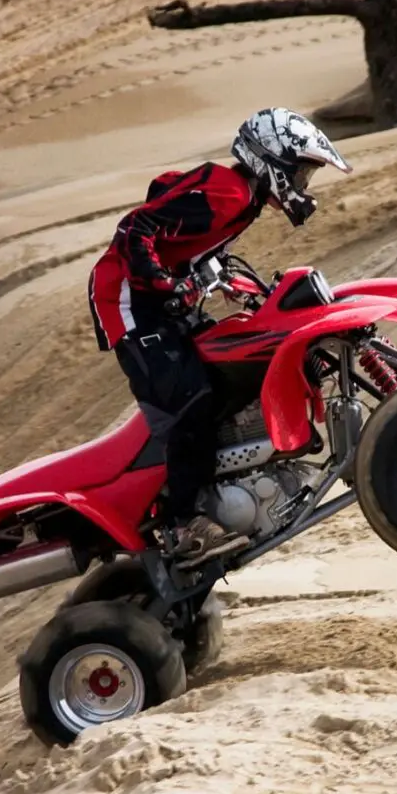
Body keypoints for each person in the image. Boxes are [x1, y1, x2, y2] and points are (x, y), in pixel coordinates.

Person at [88, 107, 352, 567]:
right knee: (191, 402)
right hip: (129, 304)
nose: (304, 185)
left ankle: (228, 485)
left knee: (225, 367)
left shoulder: (243, 198)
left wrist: (237, 288)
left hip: (155, 304)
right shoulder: (227, 191)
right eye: (302, 172)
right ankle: (181, 524)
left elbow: (192, 242)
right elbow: (136, 229)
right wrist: (168, 284)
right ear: (275, 161)